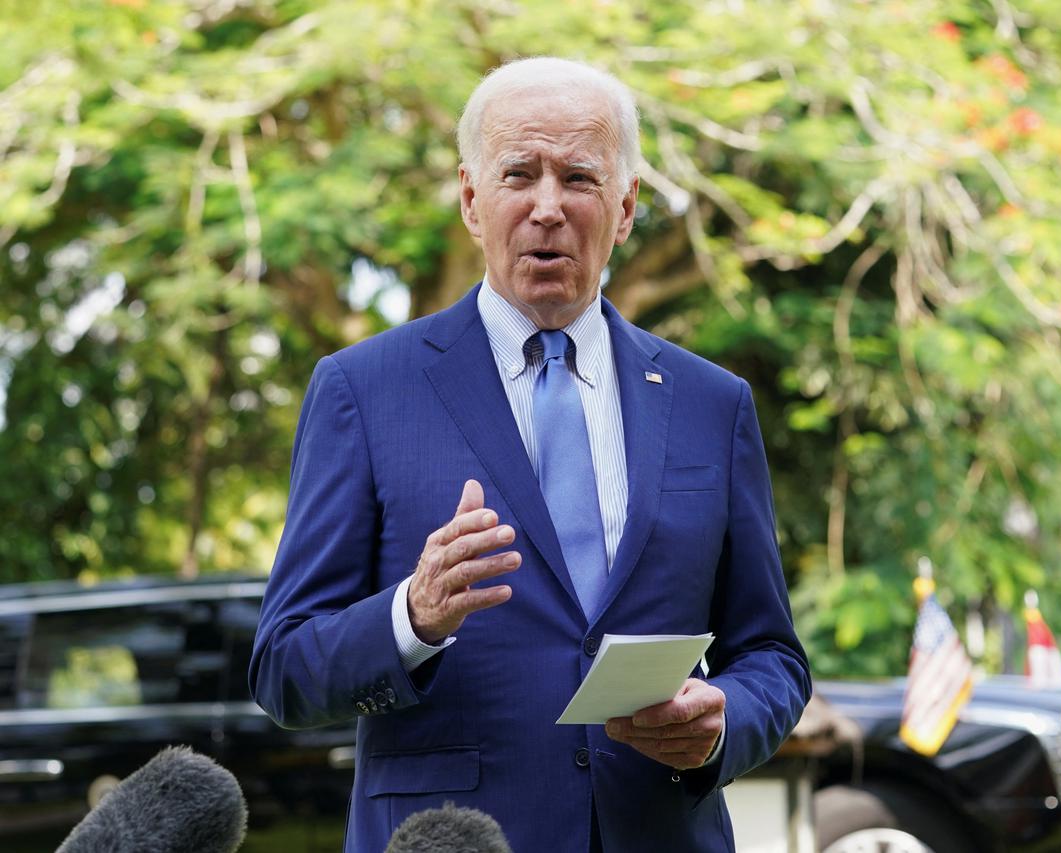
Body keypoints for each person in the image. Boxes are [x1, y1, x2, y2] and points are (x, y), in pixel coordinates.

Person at [249, 56, 810, 853]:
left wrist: (724, 724)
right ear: (474, 200)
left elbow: (771, 654)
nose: (547, 207)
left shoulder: (712, 404)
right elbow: (283, 667)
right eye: (519, 173)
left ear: (624, 207)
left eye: (579, 177)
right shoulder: (363, 389)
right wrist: (412, 615)